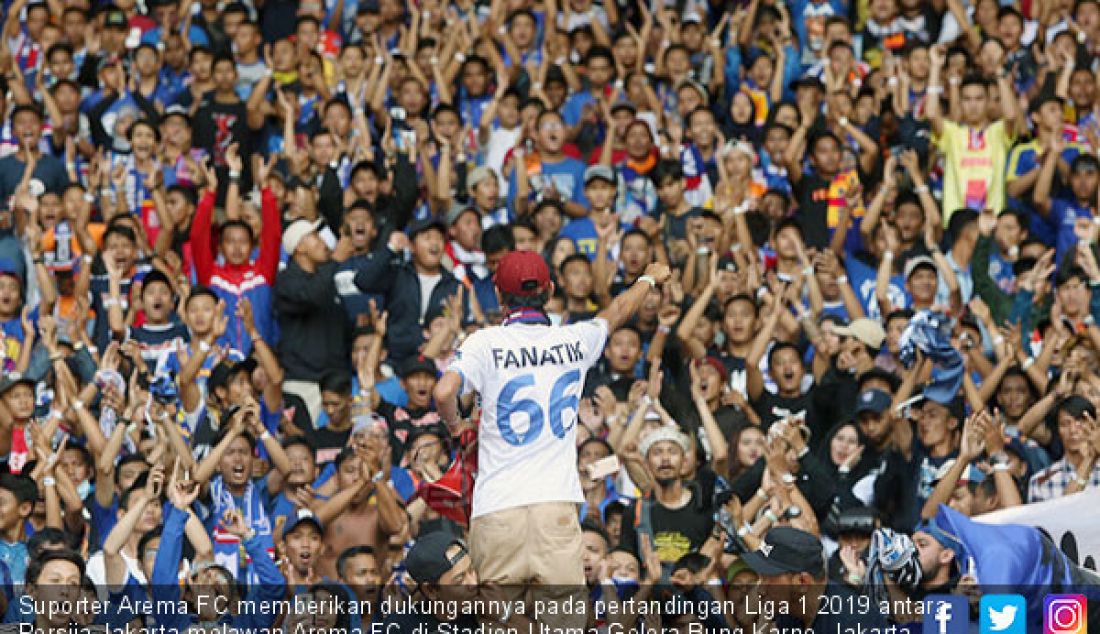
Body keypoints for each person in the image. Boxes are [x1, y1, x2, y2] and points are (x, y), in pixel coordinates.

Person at [434, 252, 670, 628]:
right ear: (549, 290)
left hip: (497, 509)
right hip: (554, 508)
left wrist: (456, 426)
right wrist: (650, 279)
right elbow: (618, 310)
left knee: (499, 623)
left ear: (498, 295)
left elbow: (445, 390)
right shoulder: (574, 340)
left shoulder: (484, 342)